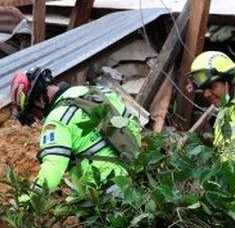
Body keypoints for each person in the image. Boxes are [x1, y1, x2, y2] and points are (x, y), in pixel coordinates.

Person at [10, 67, 141, 196]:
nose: (38, 118)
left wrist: (25, 203)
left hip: (106, 191)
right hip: (138, 171)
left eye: (33, 112)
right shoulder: (100, 92)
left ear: (38, 101)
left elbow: (52, 171)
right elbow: (133, 126)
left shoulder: (56, 120)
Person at [187, 51, 235, 160]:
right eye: (203, 89)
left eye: (212, 86)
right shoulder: (224, 115)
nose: (206, 94)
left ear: (230, 81)